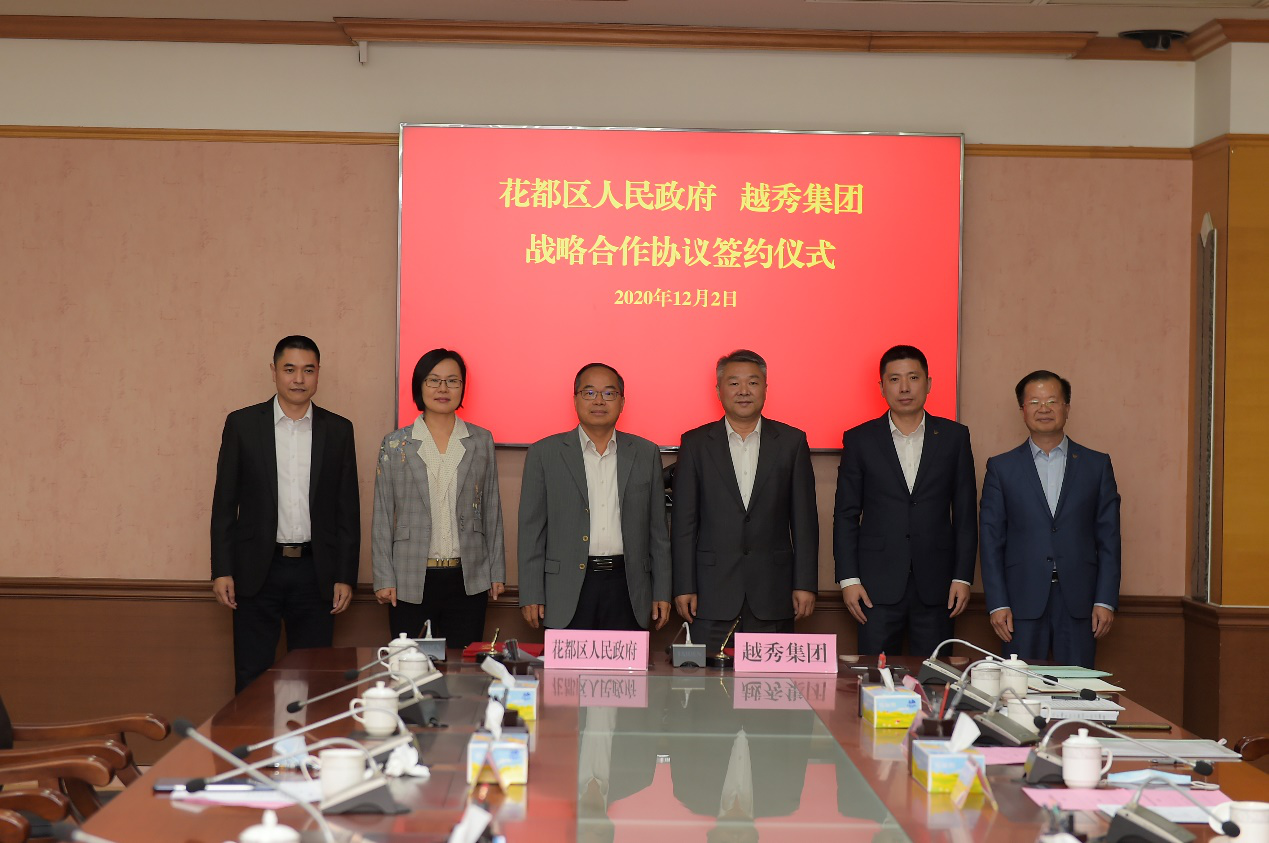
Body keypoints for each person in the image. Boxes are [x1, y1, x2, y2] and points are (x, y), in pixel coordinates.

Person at [210, 336, 360, 693]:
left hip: (315, 571)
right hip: (256, 570)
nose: (298, 379)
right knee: (252, 676)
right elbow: (224, 503)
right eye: (289, 369)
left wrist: (345, 575)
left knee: (315, 678)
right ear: (274, 371)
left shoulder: (338, 430)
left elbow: (347, 509)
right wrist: (222, 569)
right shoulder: (243, 425)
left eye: (308, 370)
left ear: (318, 374)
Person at [833, 345, 977, 657]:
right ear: (882, 387)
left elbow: (965, 514)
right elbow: (846, 514)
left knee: (934, 676)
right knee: (875, 676)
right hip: (874, 587)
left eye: (913, 377)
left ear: (929, 383)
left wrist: (962, 576)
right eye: (895, 379)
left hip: (939, 585)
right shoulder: (860, 439)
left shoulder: (954, 437)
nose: (905, 387)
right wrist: (849, 579)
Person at [671, 350, 818, 652]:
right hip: (711, 594)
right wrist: (684, 585)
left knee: (770, 680)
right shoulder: (695, 444)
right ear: (718, 390)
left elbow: (804, 521)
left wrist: (805, 583)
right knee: (708, 680)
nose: (743, 391)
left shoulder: (791, 442)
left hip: (773, 593)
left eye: (752, 382)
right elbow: (684, 523)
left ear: (765, 388)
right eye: (734, 383)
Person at [980, 370, 1121, 668]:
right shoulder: (1001, 468)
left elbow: (1109, 538)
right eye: (1034, 402)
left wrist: (1105, 600)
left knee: (1078, 687)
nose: (1043, 408)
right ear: (1022, 410)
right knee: (1019, 686)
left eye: (1052, 401)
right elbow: (991, 541)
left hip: (1081, 603)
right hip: (1020, 602)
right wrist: (997, 603)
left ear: (1067, 408)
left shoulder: (1096, 465)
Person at [518, 363, 672, 632]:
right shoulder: (544, 454)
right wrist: (531, 593)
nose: (599, 401)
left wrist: (662, 590)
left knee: (626, 661)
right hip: (566, 588)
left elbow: (658, 531)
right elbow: (531, 531)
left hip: (629, 586)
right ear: (575, 399)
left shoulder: (646, 453)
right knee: (568, 662)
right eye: (589, 393)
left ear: (622, 402)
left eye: (609, 393)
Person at [370, 349, 505, 649]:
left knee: (462, 670)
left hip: (468, 578)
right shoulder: (395, 443)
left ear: (462, 388)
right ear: (419, 386)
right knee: (413, 667)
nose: (443, 388)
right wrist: (383, 577)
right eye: (434, 380)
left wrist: (496, 571)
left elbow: (492, 510)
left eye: (452, 381)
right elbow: (382, 515)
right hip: (410, 578)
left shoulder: (480, 440)